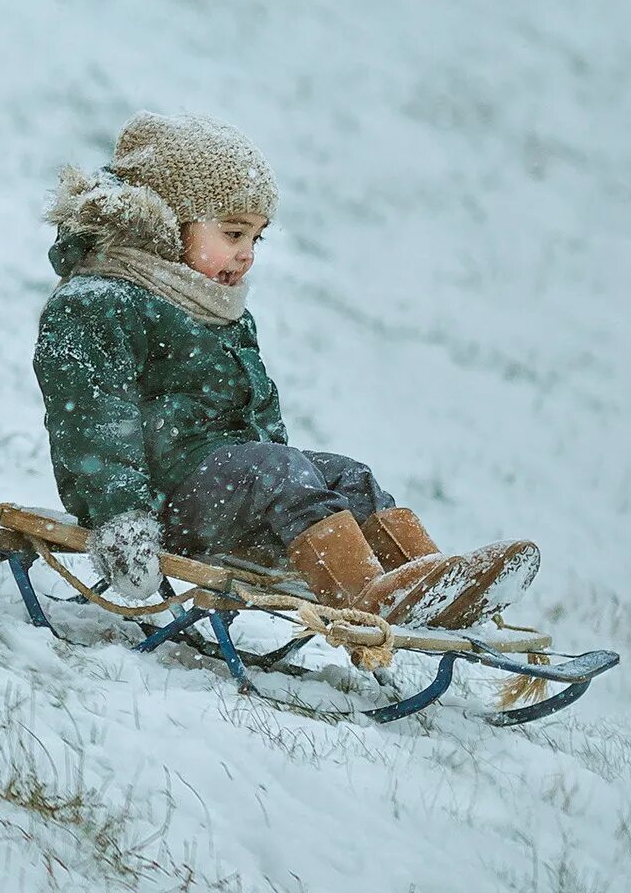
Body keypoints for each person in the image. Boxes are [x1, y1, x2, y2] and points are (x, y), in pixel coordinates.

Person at [31, 113, 537, 627]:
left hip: (226, 486)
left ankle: (432, 582)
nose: (246, 255)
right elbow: (92, 421)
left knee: (349, 476)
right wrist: (122, 518)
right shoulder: (99, 301)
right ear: (168, 224)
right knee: (277, 472)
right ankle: (366, 596)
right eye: (232, 233)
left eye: (257, 238)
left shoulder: (215, 307)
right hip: (159, 504)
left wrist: (292, 493)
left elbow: (257, 414)